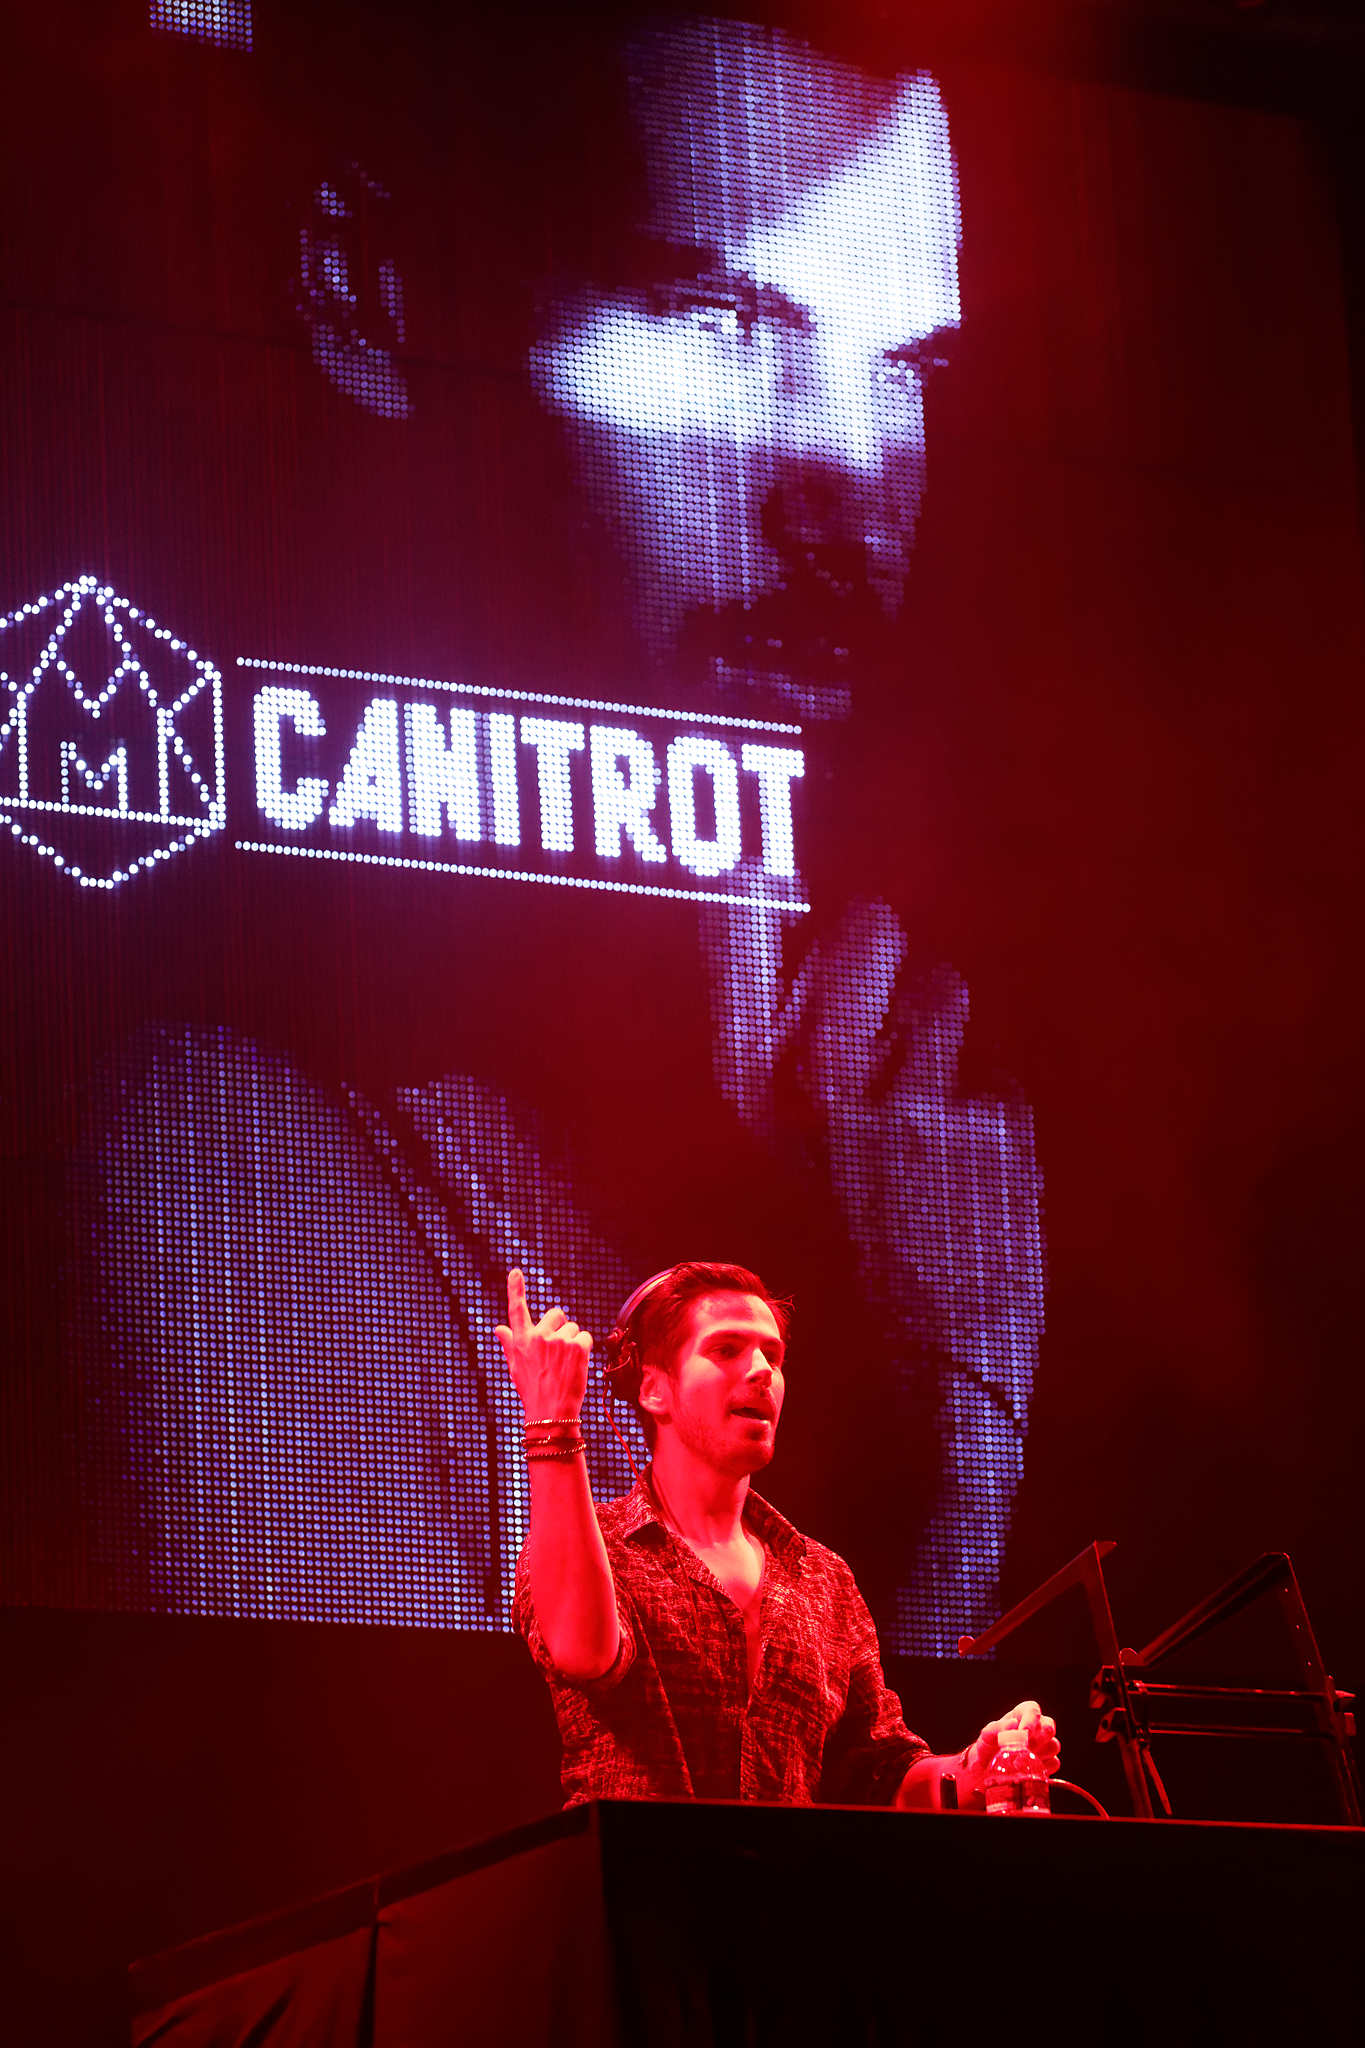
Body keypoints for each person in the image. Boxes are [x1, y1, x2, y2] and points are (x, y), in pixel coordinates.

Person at [533, 14, 1045, 1656]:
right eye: (729, 317)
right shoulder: (217, 1167)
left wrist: (959, 1428)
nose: (843, 482)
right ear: (366, 284)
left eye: (905, 367)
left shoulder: (922, 1102)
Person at [500, 1262, 1059, 1807]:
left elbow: (882, 1772)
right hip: (632, 1869)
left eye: (773, 1355)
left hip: (790, 1874)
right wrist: (553, 1418)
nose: (761, 1370)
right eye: (726, 1349)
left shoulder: (822, 1578)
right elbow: (583, 1653)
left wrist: (970, 1771)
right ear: (653, 1388)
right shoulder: (597, 1542)